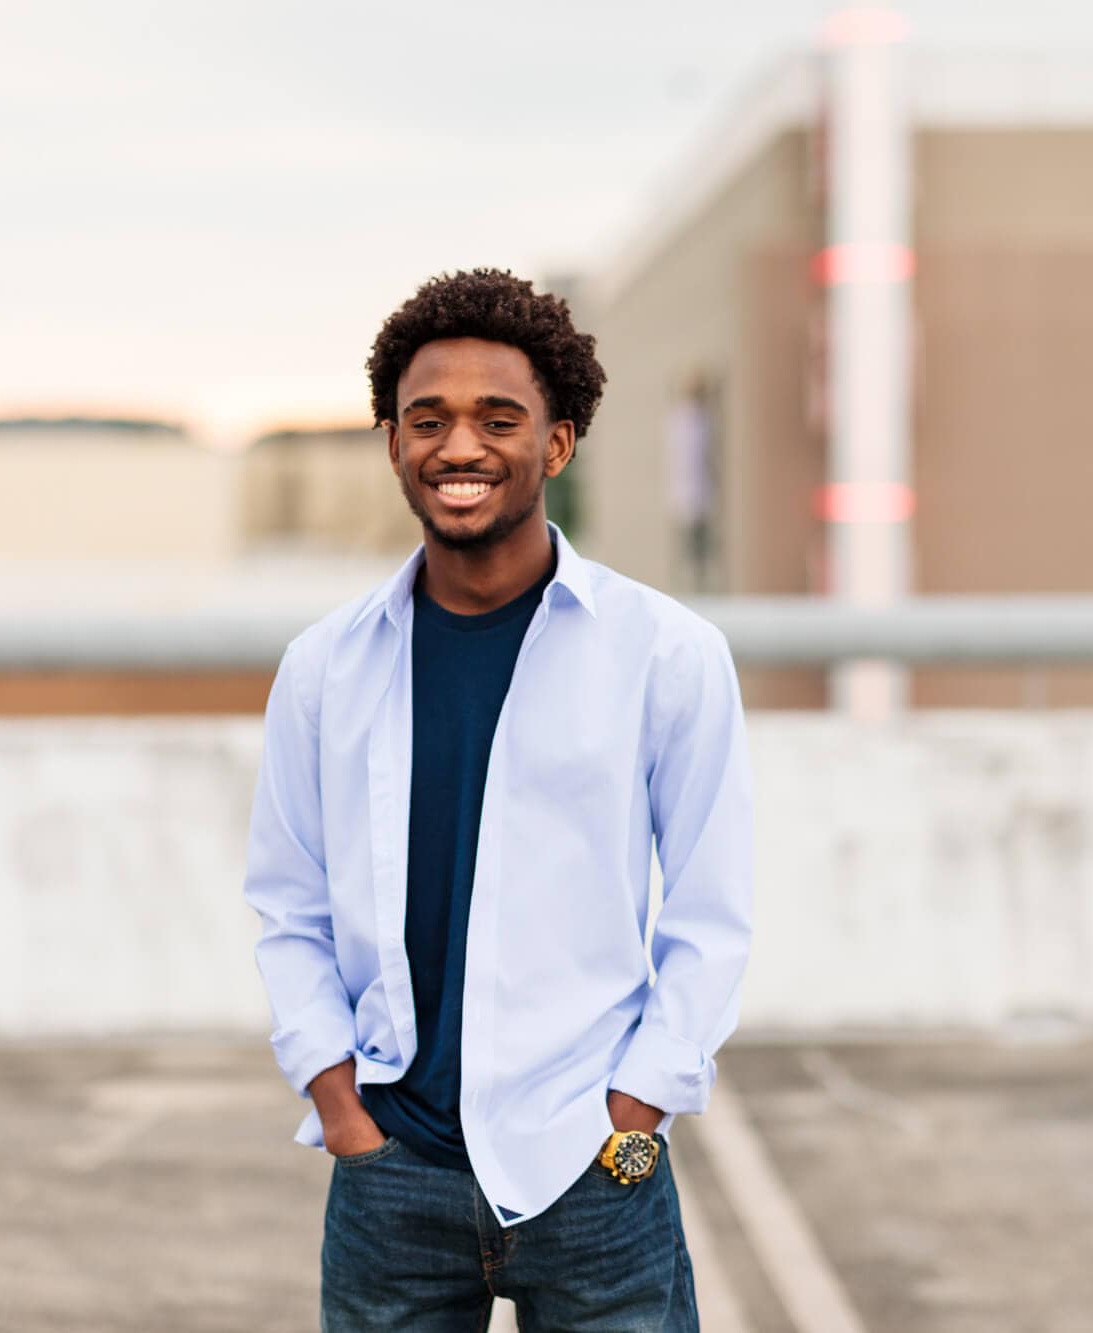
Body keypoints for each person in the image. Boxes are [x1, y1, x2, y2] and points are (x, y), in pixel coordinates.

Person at [242, 268, 753, 1331]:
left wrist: (633, 1117)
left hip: (590, 1173)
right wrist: (337, 1105)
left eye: (497, 418)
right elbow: (287, 903)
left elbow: (709, 915)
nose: (459, 447)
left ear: (557, 444)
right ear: (391, 443)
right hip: (393, 1176)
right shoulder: (326, 667)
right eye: (427, 419)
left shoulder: (664, 654)